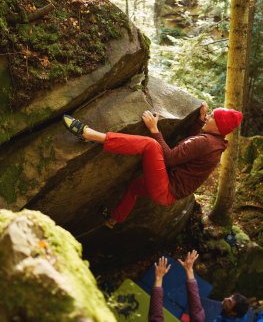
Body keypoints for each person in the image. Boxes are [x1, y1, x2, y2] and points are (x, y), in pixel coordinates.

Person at [63, 103, 243, 228]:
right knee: (134, 187)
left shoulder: (206, 143)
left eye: (212, 117)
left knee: (150, 145)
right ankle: (113, 220)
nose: (209, 117)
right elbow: (193, 146)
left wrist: (154, 129)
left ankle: (90, 135)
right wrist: (199, 121)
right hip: (168, 194)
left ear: (218, 126)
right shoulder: (215, 143)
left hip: (165, 188)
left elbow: (171, 158)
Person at [149, 251, 249, 322]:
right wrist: (189, 271)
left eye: (230, 302)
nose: (225, 299)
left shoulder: (216, 315)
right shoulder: (218, 309)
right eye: (229, 297)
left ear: (233, 313)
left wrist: (158, 279)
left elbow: (196, 309)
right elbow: (196, 306)